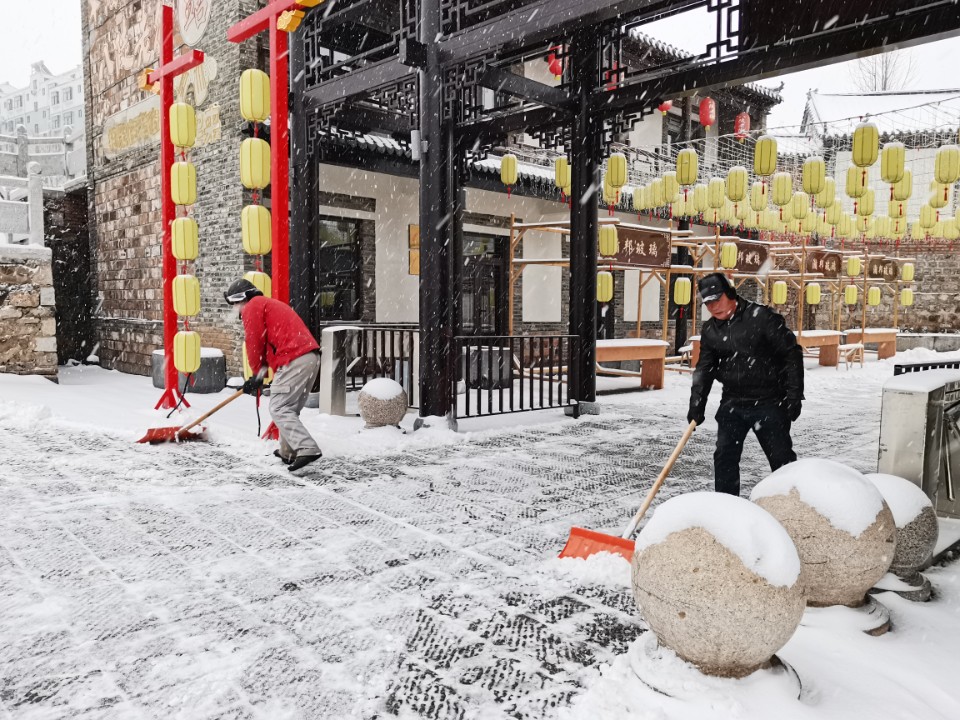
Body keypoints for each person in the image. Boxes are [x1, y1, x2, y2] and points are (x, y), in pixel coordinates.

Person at [687, 272, 804, 496]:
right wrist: (696, 405)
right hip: (733, 402)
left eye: (717, 300)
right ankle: (727, 506)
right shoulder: (711, 330)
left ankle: (792, 506)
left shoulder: (761, 317)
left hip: (768, 401)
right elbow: (704, 369)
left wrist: (794, 395)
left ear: (730, 294)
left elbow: (791, 354)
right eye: (708, 303)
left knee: (781, 460)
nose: (713, 308)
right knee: (724, 457)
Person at [224, 279, 323, 472]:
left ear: (242, 298)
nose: (236, 309)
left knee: (279, 407)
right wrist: (260, 375)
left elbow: (254, 341)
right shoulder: (266, 305)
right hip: (308, 357)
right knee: (288, 407)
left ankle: (307, 448)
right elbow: (268, 343)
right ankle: (289, 451)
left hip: (294, 358)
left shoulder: (253, 307)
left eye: (235, 304)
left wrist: (256, 374)